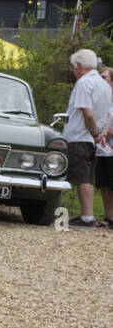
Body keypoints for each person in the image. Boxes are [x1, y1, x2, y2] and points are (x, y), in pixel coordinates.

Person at [63, 49, 112, 227]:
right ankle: (87, 215)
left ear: (79, 65)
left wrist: (93, 132)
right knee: (88, 176)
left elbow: (88, 113)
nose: (74, 70)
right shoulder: (104, 85)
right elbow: (107, 115)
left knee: (82, 177)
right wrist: (100, 134)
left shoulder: (84, 83)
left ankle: (87, 216)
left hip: (80, 136)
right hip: (93, 139)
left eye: (74, 66)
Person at [97, 67, 113, 226]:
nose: (101, 80)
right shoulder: (102, 99)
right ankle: (109, 217)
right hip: (103, 150)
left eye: (104, 77)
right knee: (105, 183)